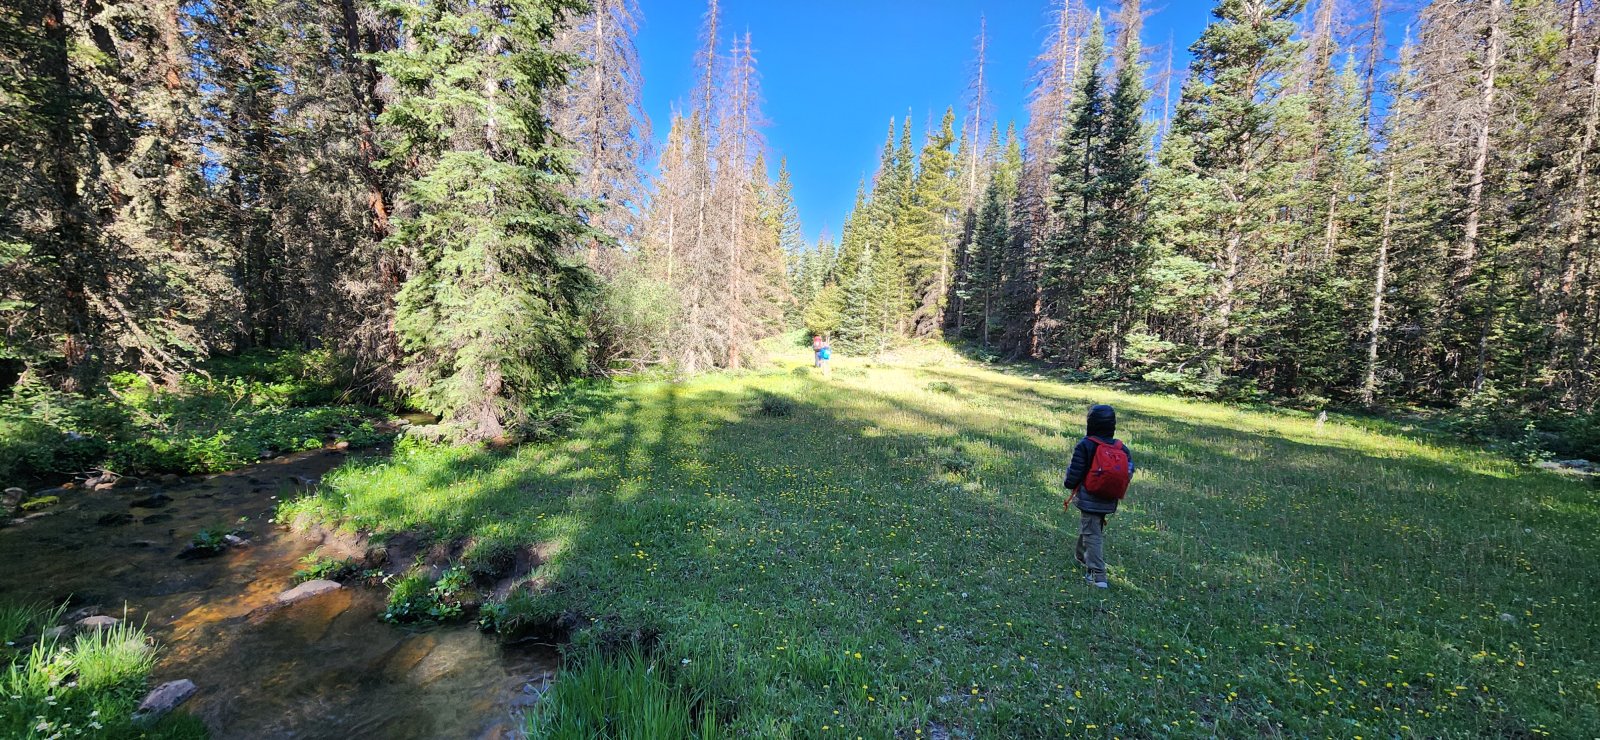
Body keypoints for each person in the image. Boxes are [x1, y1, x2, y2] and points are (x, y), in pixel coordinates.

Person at [1062, 404, 1134, 589]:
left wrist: (1069, 483)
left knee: (1092, 533)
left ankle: (1097, 575)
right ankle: (1081, 556)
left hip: (1090, 498)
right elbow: (1128, 471)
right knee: (1091, 527)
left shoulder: (1086, 444)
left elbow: (1074, 475)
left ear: (1091, 423)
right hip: (1109, 499)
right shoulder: (1121, 448)